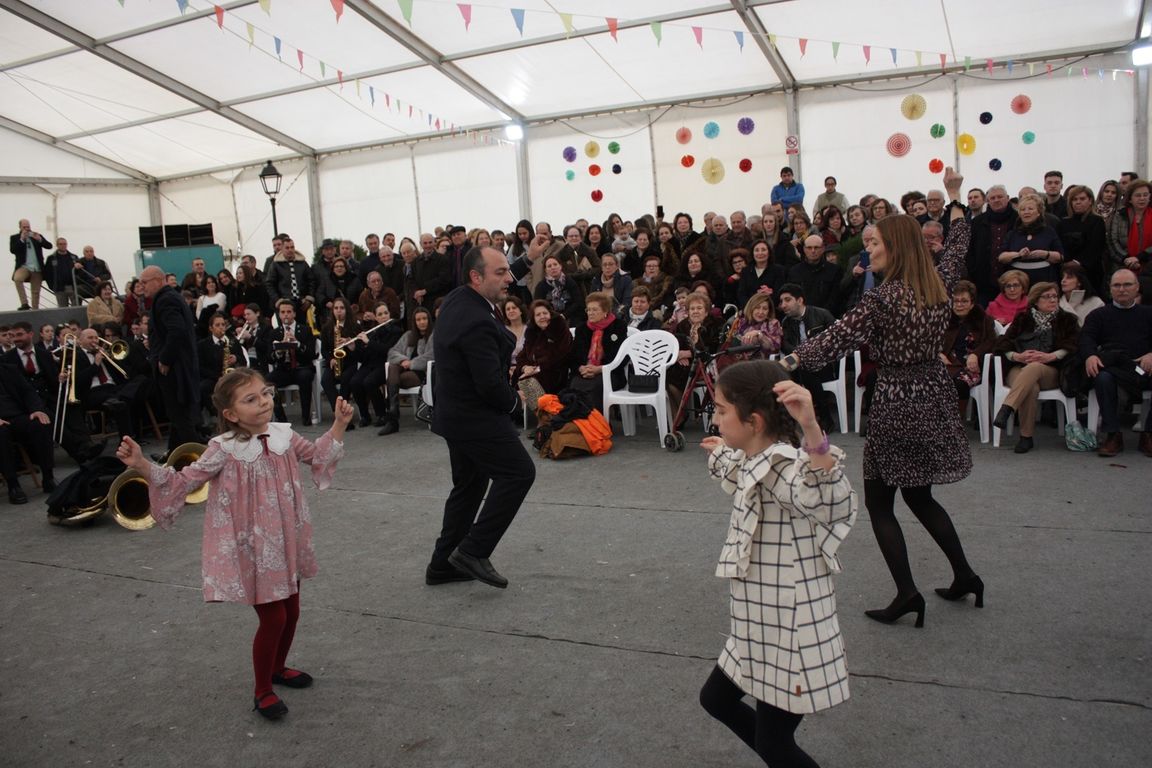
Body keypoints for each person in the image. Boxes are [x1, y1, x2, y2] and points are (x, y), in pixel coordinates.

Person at [781, 166, 983, 627]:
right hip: (933, 392)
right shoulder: (940, 281)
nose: (866, 249)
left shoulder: (883, 299)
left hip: (895, 398)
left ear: (897, 248)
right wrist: (954, 199)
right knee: (919, 495)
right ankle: (966, 574)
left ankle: (908, 593)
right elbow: (958, 243)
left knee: (879, 503)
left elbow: (833, 338)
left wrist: (789, 363)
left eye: (874, 243)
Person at [115, 369, 352, 721]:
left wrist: (339, 425)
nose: (264, 402)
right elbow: (182, 482)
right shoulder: (222, 449)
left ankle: (279, 667)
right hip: (255, 548)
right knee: (274, 619)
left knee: (293, 611)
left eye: (266, 393)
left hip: (287, 540)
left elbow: (317, 456)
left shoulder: (283, 434)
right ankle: (262, 691)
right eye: (251, 399)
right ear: (230, 413)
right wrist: (142, 465)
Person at [698, 361, 856, 768]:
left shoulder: (786, 466)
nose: (714, 417)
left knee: (774, 745)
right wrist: (718, 452)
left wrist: (813, 431)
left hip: (791, 634)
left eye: (720, 410)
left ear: (753, 421)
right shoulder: (754, 454)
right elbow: (736, 468)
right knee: (715, 699)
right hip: (757, 627)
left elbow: (828, 501)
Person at [428, 248, 537, 589]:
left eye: (509, 271)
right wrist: (514, 403)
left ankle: (443, 565)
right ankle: (474, 550)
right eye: (501, 273)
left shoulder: (460, 299)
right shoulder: (476, 320)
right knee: (519, 473)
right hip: (475, 417)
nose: (509, 279)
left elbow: (498, 277)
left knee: (470, 486)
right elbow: (489, 383)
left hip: (455, 415)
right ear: (477, 277)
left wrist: (527, 259)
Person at [991, 283, 1079, 453]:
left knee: (1035, 367)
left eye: (1055, 296)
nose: (1052, 300)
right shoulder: (1023, 318)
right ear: (1035, 300)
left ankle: (1007, 408)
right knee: (1030, 386)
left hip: (1050, 370)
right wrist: (1017, 356)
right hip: (1019, 367)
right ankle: (1026, 437)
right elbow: (1003, 343)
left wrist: (1051, 356)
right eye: (1047, 297)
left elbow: (1074, 345)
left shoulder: (1067, 319)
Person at [1079, 269, 1152, 457]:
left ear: (1137, 288)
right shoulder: (1098, 315)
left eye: (1127, 284)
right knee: (1102, 377)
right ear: (1110, 289)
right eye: (1117, 285)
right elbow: (1086, 338)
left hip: (1143, 367)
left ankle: (1149, 434)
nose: (1122, 289)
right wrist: (1090, 355)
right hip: (1113, 367)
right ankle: (1112, 435)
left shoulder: (1148, 313)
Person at [0, 362, 57, 503]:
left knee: (40, 424)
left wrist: (37, 410)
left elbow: (28, 392)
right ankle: (13, 485)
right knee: (0, 434)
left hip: (18, 416)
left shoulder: (8, 368)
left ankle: (48, 477)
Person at [941, 280, 996, 420]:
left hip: (972, 367)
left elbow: (991, 341)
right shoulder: (944, 318)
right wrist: (938, 353)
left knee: (960, 383)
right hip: (948, 364)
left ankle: (955, 422)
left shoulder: (984, 319)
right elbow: (930, 340)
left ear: (972, 303)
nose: (959, 305)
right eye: (956, 301)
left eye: (964, 301)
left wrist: (976, 355)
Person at [567, 292, 629, 413]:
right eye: (588, 309)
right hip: (584, 371)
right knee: (574, 385)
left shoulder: (618, 326)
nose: (590, 313)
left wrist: (600, 369)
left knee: (595, 387)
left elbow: (622, 357)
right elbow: (572, 357)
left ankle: (597, 425)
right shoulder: (582, 329)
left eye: (594, 309)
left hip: (610, 372)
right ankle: (579, 424)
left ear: (605, 311)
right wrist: (581, 368)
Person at [378, 306, 434, 436]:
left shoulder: (434, 335)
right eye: (418, 319)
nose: (421, 322)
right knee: (393, 367)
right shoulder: (409, 335)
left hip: (423, 373)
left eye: (424, 318)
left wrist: (412, 363)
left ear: (429, 320)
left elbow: (432, 355)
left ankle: (392, 418)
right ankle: (393, 415)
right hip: (402, 372)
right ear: (414, 322)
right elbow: (392, 352)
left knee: (393, 377)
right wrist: (404, 360)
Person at [348, 303, 405, 428]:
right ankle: (364, 415)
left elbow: (388, 350)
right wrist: (354, 348)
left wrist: (369, 342)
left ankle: (381, 414)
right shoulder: (372, 332)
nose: (384, 316)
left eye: (386, 313)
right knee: (354, 382)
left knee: (369, 382)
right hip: (369, 365)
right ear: (375, 317)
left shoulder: (396, 331)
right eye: (380, 314)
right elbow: (363, 358)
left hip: (385, 364)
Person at [262, 300, 317, 426]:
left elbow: (311, 354)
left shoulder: (305, 330)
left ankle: (305, 417)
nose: (286, 315)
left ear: (294, 314)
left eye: (288, 312)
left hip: (301, 367)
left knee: (305, 377)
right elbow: (269, 358)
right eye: (283, 312)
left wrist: (297, 344)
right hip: (284, 369)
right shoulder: (274, 333)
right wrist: (279, 352)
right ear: (279, 315)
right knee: (268, 382)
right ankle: (281, 419)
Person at [966, 185, 1020, 305]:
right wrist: (974, 271)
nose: (996, 200)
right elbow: (970, 251)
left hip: (1014, 282)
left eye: (1000, 197)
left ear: (1007, 198)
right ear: (987, 201)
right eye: (993, 198)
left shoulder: (1019, 220)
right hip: (984, 283)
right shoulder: (977, 223)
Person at [512, 300, 573, 396]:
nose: (542, 317)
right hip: (534, 372)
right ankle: (521, 409)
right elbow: (522, 356)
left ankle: (541, 410)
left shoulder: (559, 329)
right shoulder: (532, 333)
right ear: (534, 319)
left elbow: (559, 355)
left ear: (551, 314)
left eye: (545, 313)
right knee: (514, 380)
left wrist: (536, 369)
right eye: (538, 315)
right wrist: (524, 368)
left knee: (527, 384)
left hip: (555, 372)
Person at [1058, 184, 1109, 292]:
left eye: (1082, 199)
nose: (1078, 202)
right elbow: (1060, 244)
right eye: (1074, 199)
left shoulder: (1097, 221)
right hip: (1066, 270)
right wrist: (1067, 262)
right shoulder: (1064, 222)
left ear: (1090, 201)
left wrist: (1077, 262)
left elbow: (1096, 246)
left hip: (1090, 271)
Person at [1107, 179, 1152, 299]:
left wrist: (1139, 258)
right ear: (1130, 198)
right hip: (1121, 266)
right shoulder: (1119, 215)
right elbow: (1112, 241)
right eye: (1138, 195)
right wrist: (1126, 259)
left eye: (1145, 195)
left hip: (1148, 268)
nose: (1142, 198)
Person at [319, 297, 359, 427]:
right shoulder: (326, 328)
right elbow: (324, 349)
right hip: (334, 362)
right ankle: (339, 412)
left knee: (346, 379)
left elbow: (360, 349)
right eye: (336, 308)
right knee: (325, 380)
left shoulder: (354, 327)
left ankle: (345, 416)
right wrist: (330, 359)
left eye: (341, 308)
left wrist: (350, 343)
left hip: (350, 362)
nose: (339, 311)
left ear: (346, 310)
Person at [198, 313, 241, 419]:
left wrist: (236, 358)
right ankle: (218, 416)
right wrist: (217, 377)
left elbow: (243, 360)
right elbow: (200, 367)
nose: (221, 327)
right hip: (213, 378)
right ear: (211, 328)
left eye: (223, 324)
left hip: (231, 377)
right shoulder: (202, 344)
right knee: (202, 388)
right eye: (217, 325)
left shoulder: (233, 341)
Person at [9, 219, 50, 310]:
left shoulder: (36, 236)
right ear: (20, 227)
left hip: (37, 268)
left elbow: (49, 246)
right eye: (24, 227)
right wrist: (22, 239)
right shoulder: (15, 237)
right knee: (17, 279)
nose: (27, 229)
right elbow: (13, 250)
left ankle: (35, 310)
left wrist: (39, 239)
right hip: (24, 266)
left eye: (28, 227)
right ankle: (24, 303)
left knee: (35, 292)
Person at [44, 237, 79, 307]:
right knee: (63, 309)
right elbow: (47, 274)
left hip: (73, 287)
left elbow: (79, 272)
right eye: (61, 244)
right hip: (59, 288)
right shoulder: (51, 258)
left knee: (76, 306)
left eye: (64, 244)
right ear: (57, 245)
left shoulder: (74, 257)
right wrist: (52, 286)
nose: (63, 246)